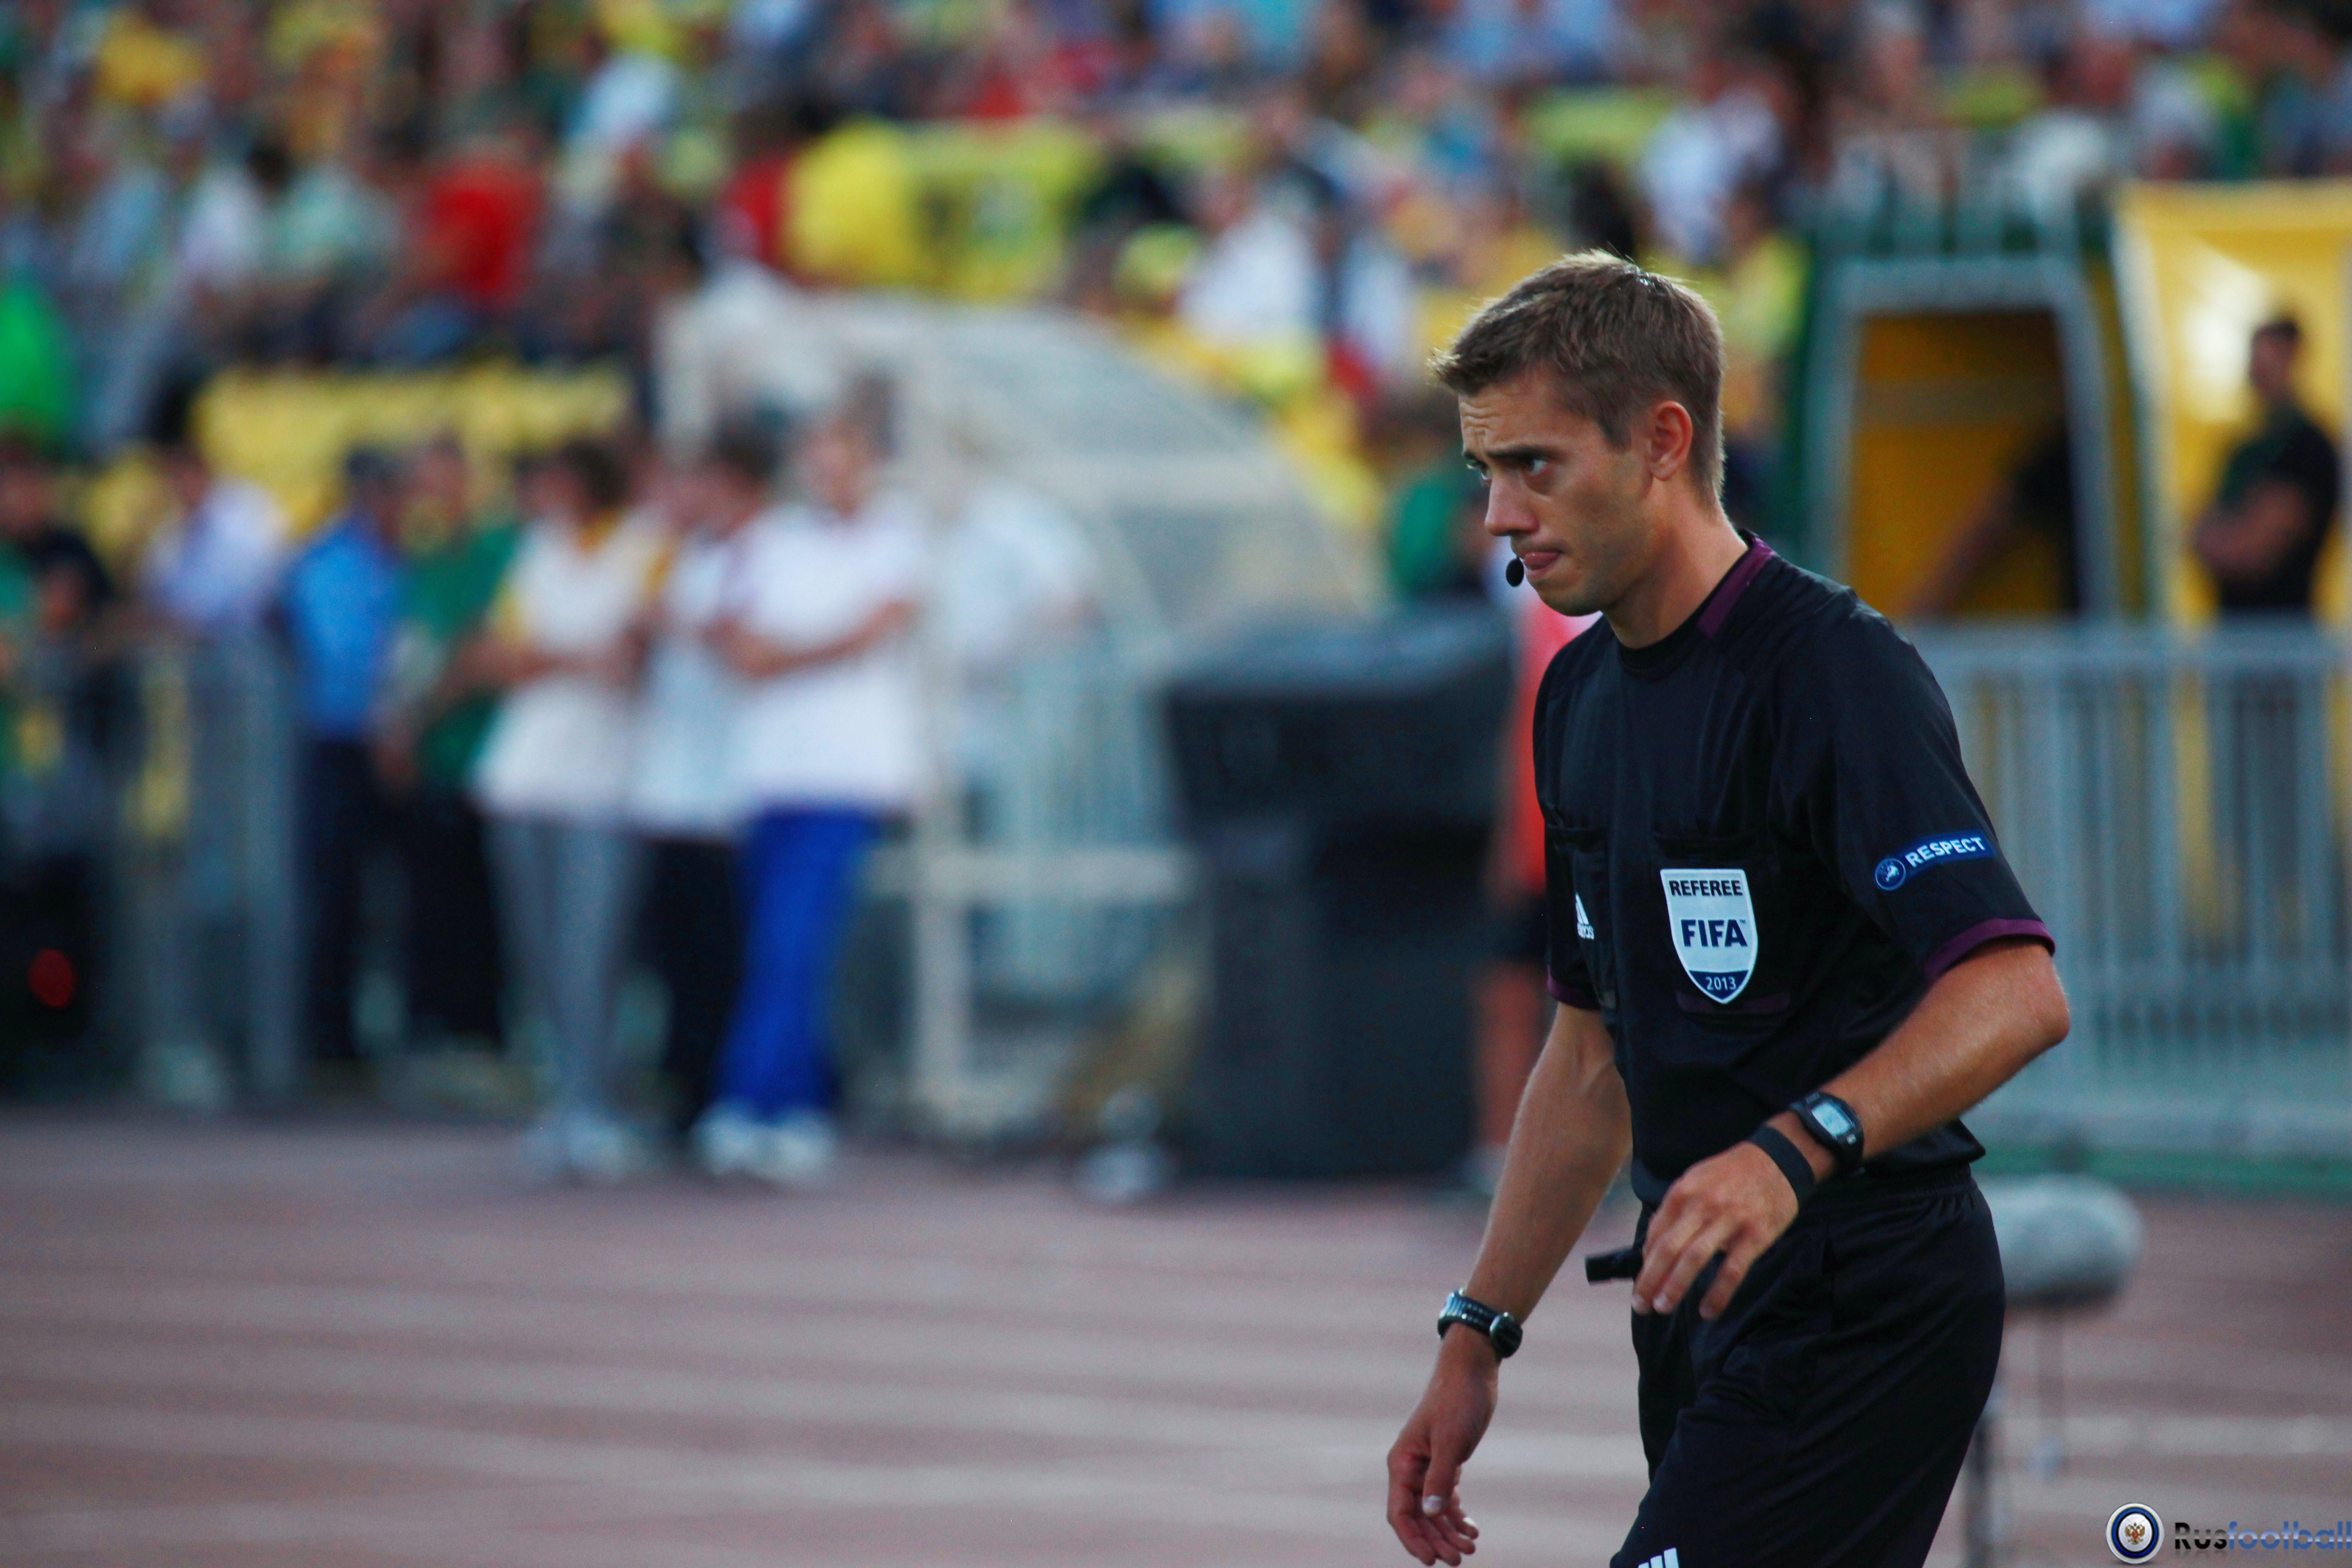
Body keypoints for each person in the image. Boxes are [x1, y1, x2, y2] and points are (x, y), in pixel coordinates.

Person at [1385, 253, 2072, 1568]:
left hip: (1866, 1293)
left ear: (1661, 441)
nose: (1498, 515)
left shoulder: (1832, 671)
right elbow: (1590, 1060)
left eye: (1533, 466)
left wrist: (1792, 1149)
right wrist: (1477, 1335)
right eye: (1486, 471)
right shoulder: (1578, 699)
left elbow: (2016, 990)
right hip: (1698, 1298)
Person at [695, 389, 926, 1187]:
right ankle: (773, 1099)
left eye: (842, 448)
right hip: (772, 775)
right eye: (816, 449)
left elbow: (873, 627)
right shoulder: (774, 539)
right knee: (773, 946)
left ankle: (768, 1100)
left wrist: (784, 658)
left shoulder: (896, 536)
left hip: (844, 777)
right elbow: (729, 632)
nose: (827, 464)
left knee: (794, 945)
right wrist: (781, 654)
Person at [468, 436, 668, 1182]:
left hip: (604, 783)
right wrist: (573, 659)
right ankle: (564, 1102)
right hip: (524, 777)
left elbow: (632, 659)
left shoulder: (645, 546)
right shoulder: (540, 549)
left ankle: (598, 1105)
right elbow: (495, 656)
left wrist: (547, 659)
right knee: (541, 955)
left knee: (593, 953)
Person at [628, 421, 772, 1149]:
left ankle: (732, 1092)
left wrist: (679, 625)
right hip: (672, 790)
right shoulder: (683, 557)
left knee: (728, 955)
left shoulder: (765, 554)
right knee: (680, 954)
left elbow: (748, 647)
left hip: (731, 792)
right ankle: (686, 1090)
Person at [376, 435, 520, 1089]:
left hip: (484, 755)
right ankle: (444, 1038)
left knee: (484, 911)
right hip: (434, 761)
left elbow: (477, 653)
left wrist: (416, 721)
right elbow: (410, 651)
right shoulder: (427, 562)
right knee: (433, 906)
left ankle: (487, 1041)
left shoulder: (498, 550)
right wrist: (395, 727)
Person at [276, 447, 407, 1081]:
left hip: (398, 739)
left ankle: (384, 1033)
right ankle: (328, 1041)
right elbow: (343, 655)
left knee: (400, 897)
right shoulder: (329, 561)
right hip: (342, 742)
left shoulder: (402, 557)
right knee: (335, 895)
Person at [2190, 315, 2340, 614]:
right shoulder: (2246, 447)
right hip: (2236, 629)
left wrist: (2215, 537)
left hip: (2281, 629)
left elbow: (2250, 551)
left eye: (2267, 359)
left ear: (2292, 359)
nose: (2256, 371)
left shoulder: (2306, 447)